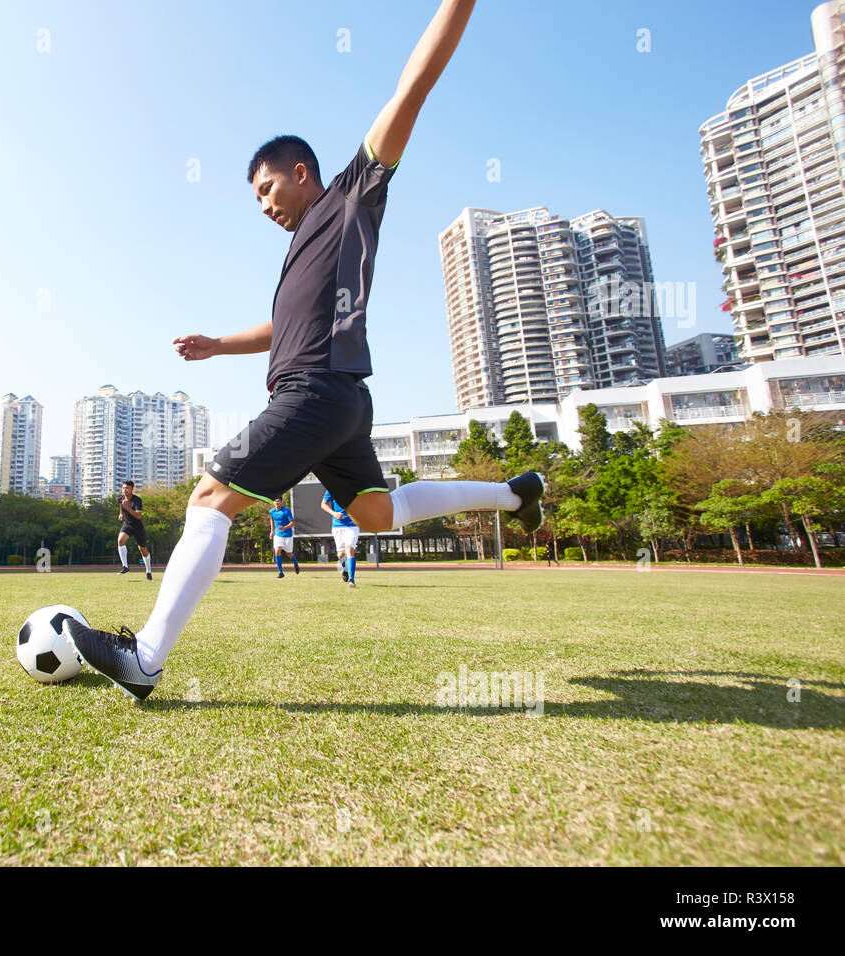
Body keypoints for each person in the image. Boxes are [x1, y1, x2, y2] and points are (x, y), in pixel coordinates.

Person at [68, 0, 543, 701]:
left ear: (298, 171)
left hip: (316, 394)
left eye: (266, 189)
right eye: (255, 199)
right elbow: (277, 328)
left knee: (209, 496)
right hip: (342, 403)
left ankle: (146, 657)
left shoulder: (352, 196)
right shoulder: (299, 254)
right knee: (377, 514)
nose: (263, 205)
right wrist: (215, 344)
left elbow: (412, 84)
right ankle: (514, 494)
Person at [321, 490, 359, 588]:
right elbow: (323, 504)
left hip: (353, 525)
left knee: (350, 550)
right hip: (337, 526)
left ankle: (352, 579)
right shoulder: (331, 488)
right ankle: (345, 569)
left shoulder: (354, 487)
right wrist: (334, 513)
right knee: (341, 554)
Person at [116, 480, 152, 580]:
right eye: (123, 488)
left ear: (132, 489)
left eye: (127, 488)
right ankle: (125, 566)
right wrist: (121, 513)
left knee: (143, 550)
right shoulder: (120, 498)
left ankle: (148, 571)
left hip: (138, 527)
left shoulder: (137, 500)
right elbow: (121, 505)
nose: (124, 490)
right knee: (120, 540)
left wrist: (127, 508)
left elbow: (138, 516)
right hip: (127, 525)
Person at [268, 496, 299, 577]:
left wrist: (284, 528)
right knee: (277, 550)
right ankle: (280, 572)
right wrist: (272, 531)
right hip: (278, 535)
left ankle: (295, 563)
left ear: (281, 502)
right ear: (273, 502)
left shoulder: (286, 511)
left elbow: (292, 523)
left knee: (289, 554)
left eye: (278, 501)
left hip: (288, 535)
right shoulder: (271, 511)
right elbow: (272, 520)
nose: (276, 503)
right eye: (275, 501)